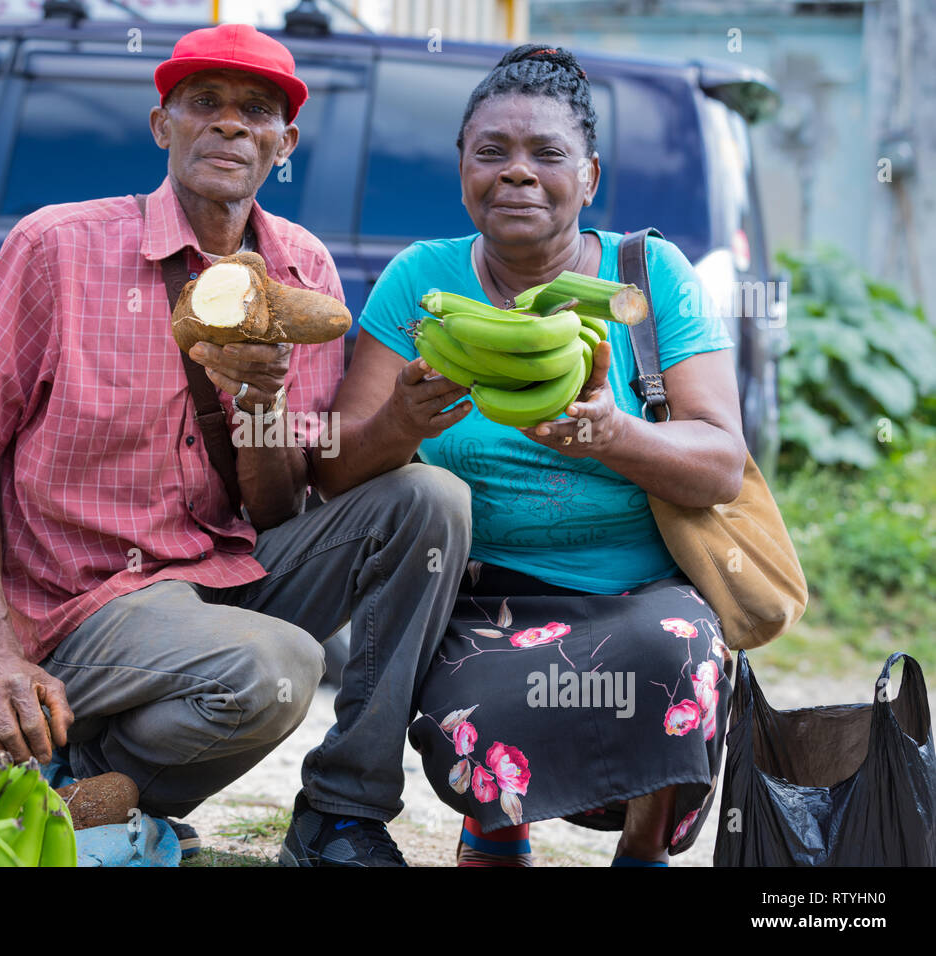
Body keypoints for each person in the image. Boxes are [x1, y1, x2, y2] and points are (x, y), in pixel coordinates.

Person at [0, 23, 469, 867]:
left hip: (222, 577)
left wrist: (260, 405)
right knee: (279, 665)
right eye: (203, 103)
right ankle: (78, 779)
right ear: (161, 124)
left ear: (286, 143)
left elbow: (280, 506)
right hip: (85, 606)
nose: (230, 125)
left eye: (256, 111)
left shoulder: (302, 269)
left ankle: (343, 812)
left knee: (430, 499)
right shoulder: (58, 247)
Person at [313, 44, 745, 867]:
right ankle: (496, 834)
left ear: (589, 176)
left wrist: (615, 432)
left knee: (675, 648)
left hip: (635, 592)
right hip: (478, 600)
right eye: (492, 153)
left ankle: (644, 852)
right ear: (463, 169)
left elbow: (722, 462)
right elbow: (334, 471)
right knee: (475, 706)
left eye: (546, 154)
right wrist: (400, 422)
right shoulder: (421, 282)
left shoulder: (647, 278)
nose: (517, 173)